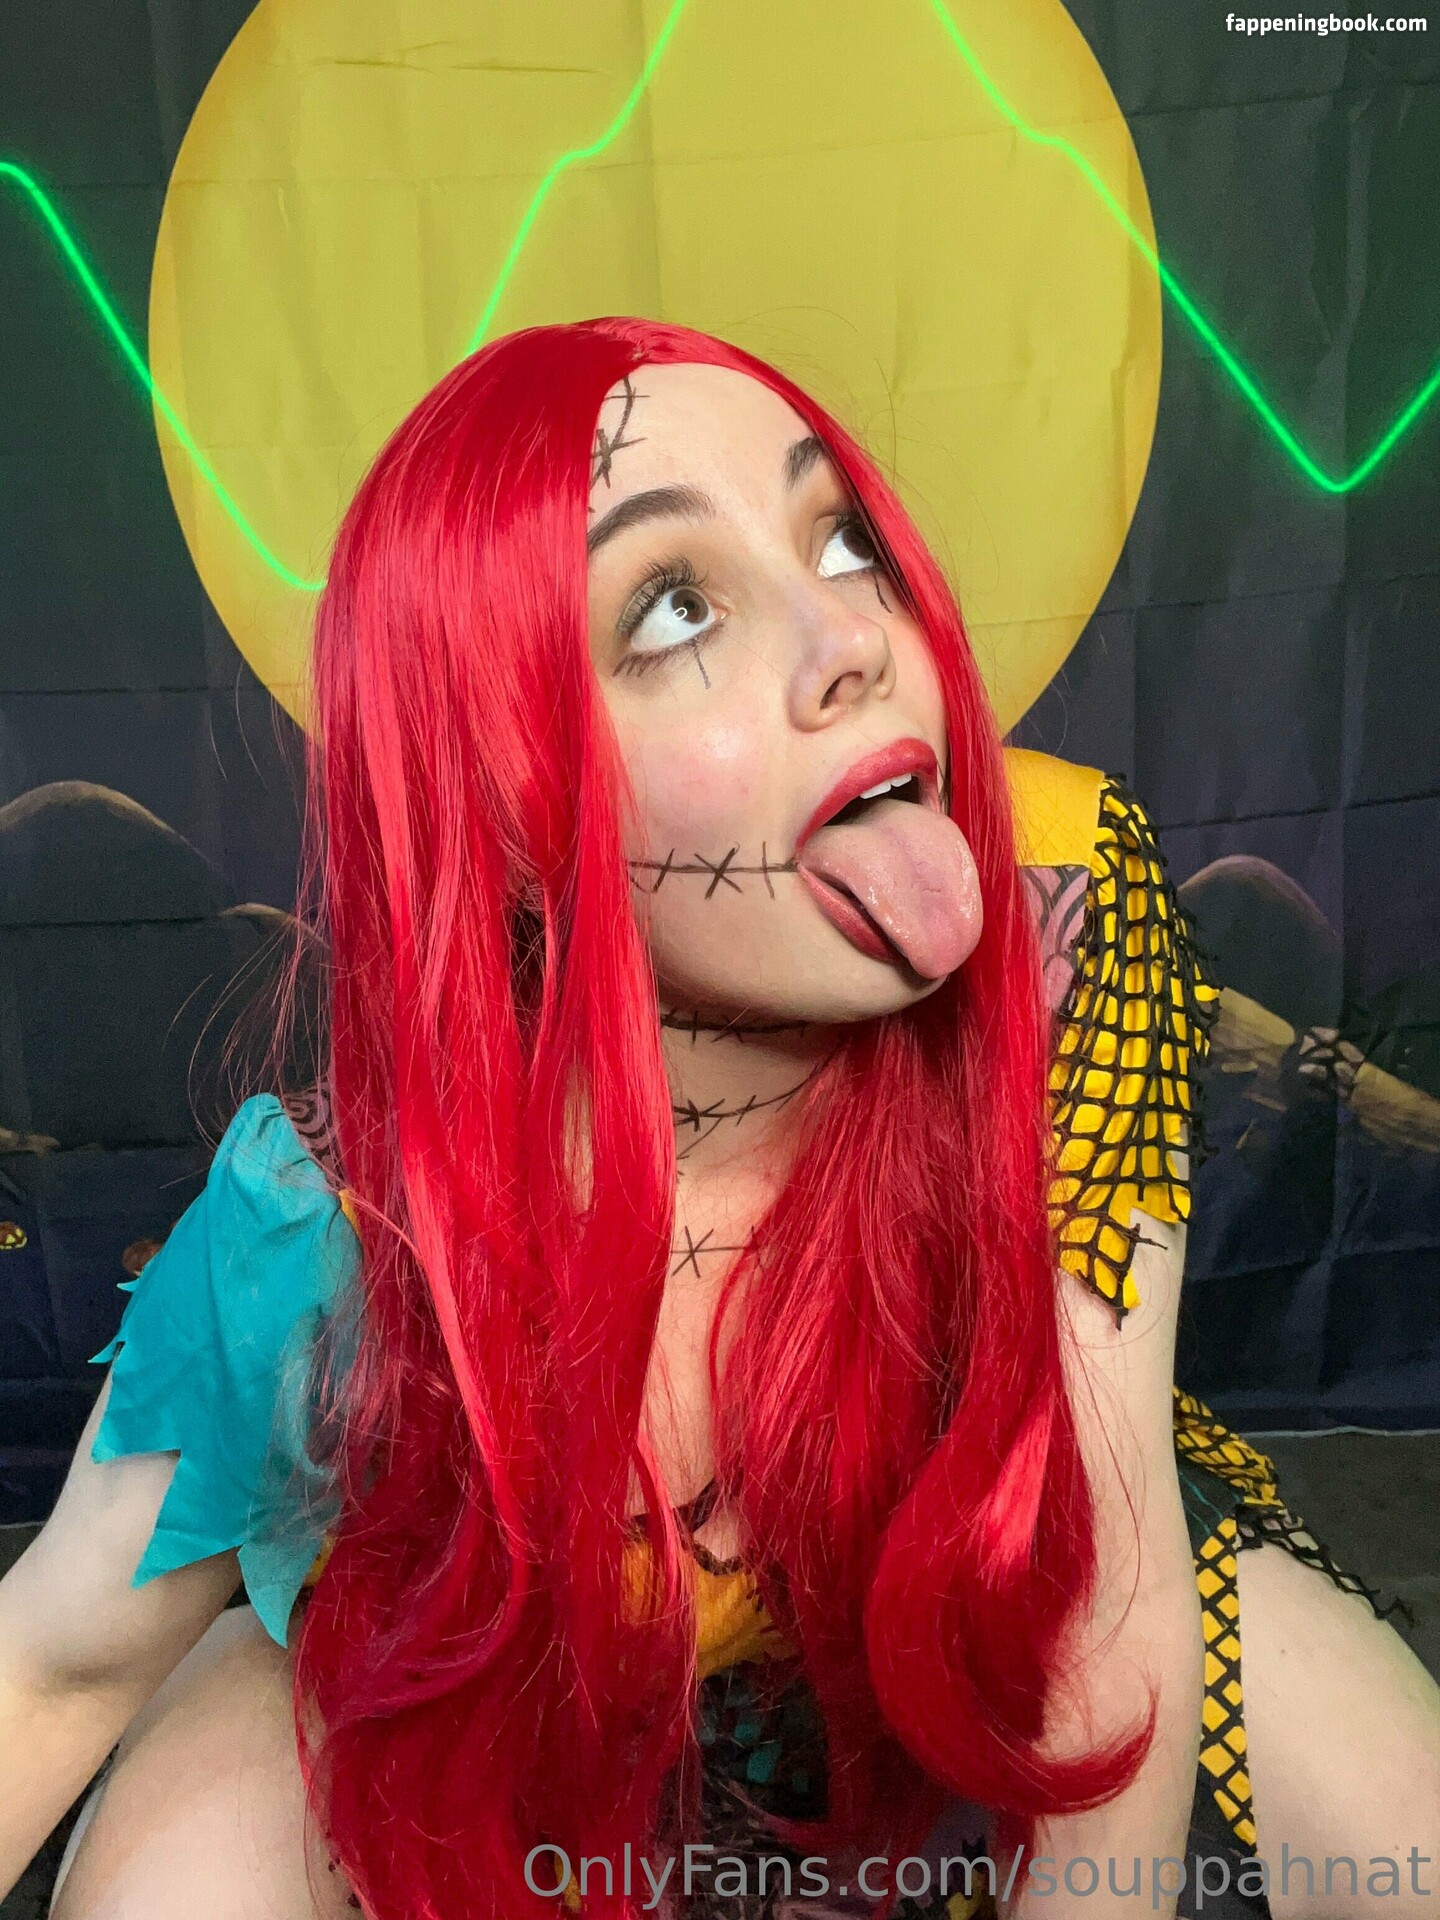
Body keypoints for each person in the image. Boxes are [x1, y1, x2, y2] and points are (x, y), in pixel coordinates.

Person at [0, 319, 1436, 1920]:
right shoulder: (320, 1242)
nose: (850, 637)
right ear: (504, 800)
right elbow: (55, 1664)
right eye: (675, 607)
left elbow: (1104, 1568)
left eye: (843, 538)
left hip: (942, 1614)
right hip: (493, 1683)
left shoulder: (1066, 919)